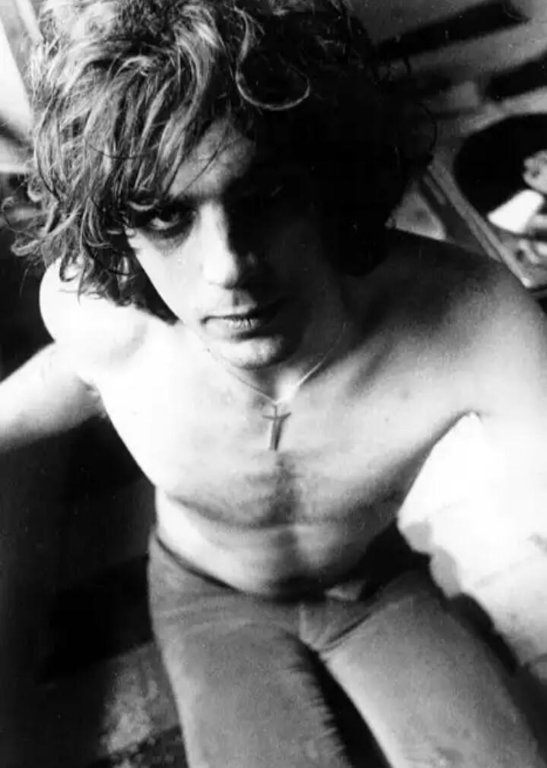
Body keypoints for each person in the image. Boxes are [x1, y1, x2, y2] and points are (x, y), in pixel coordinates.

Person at [5, 0, 547, 765]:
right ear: (118, 234)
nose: (227, 268)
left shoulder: (475, 319)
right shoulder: (103, 327)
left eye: (264, 197)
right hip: (203, 594)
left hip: (373, 580)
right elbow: (72, 376)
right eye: (165, 216)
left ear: (326, 184)